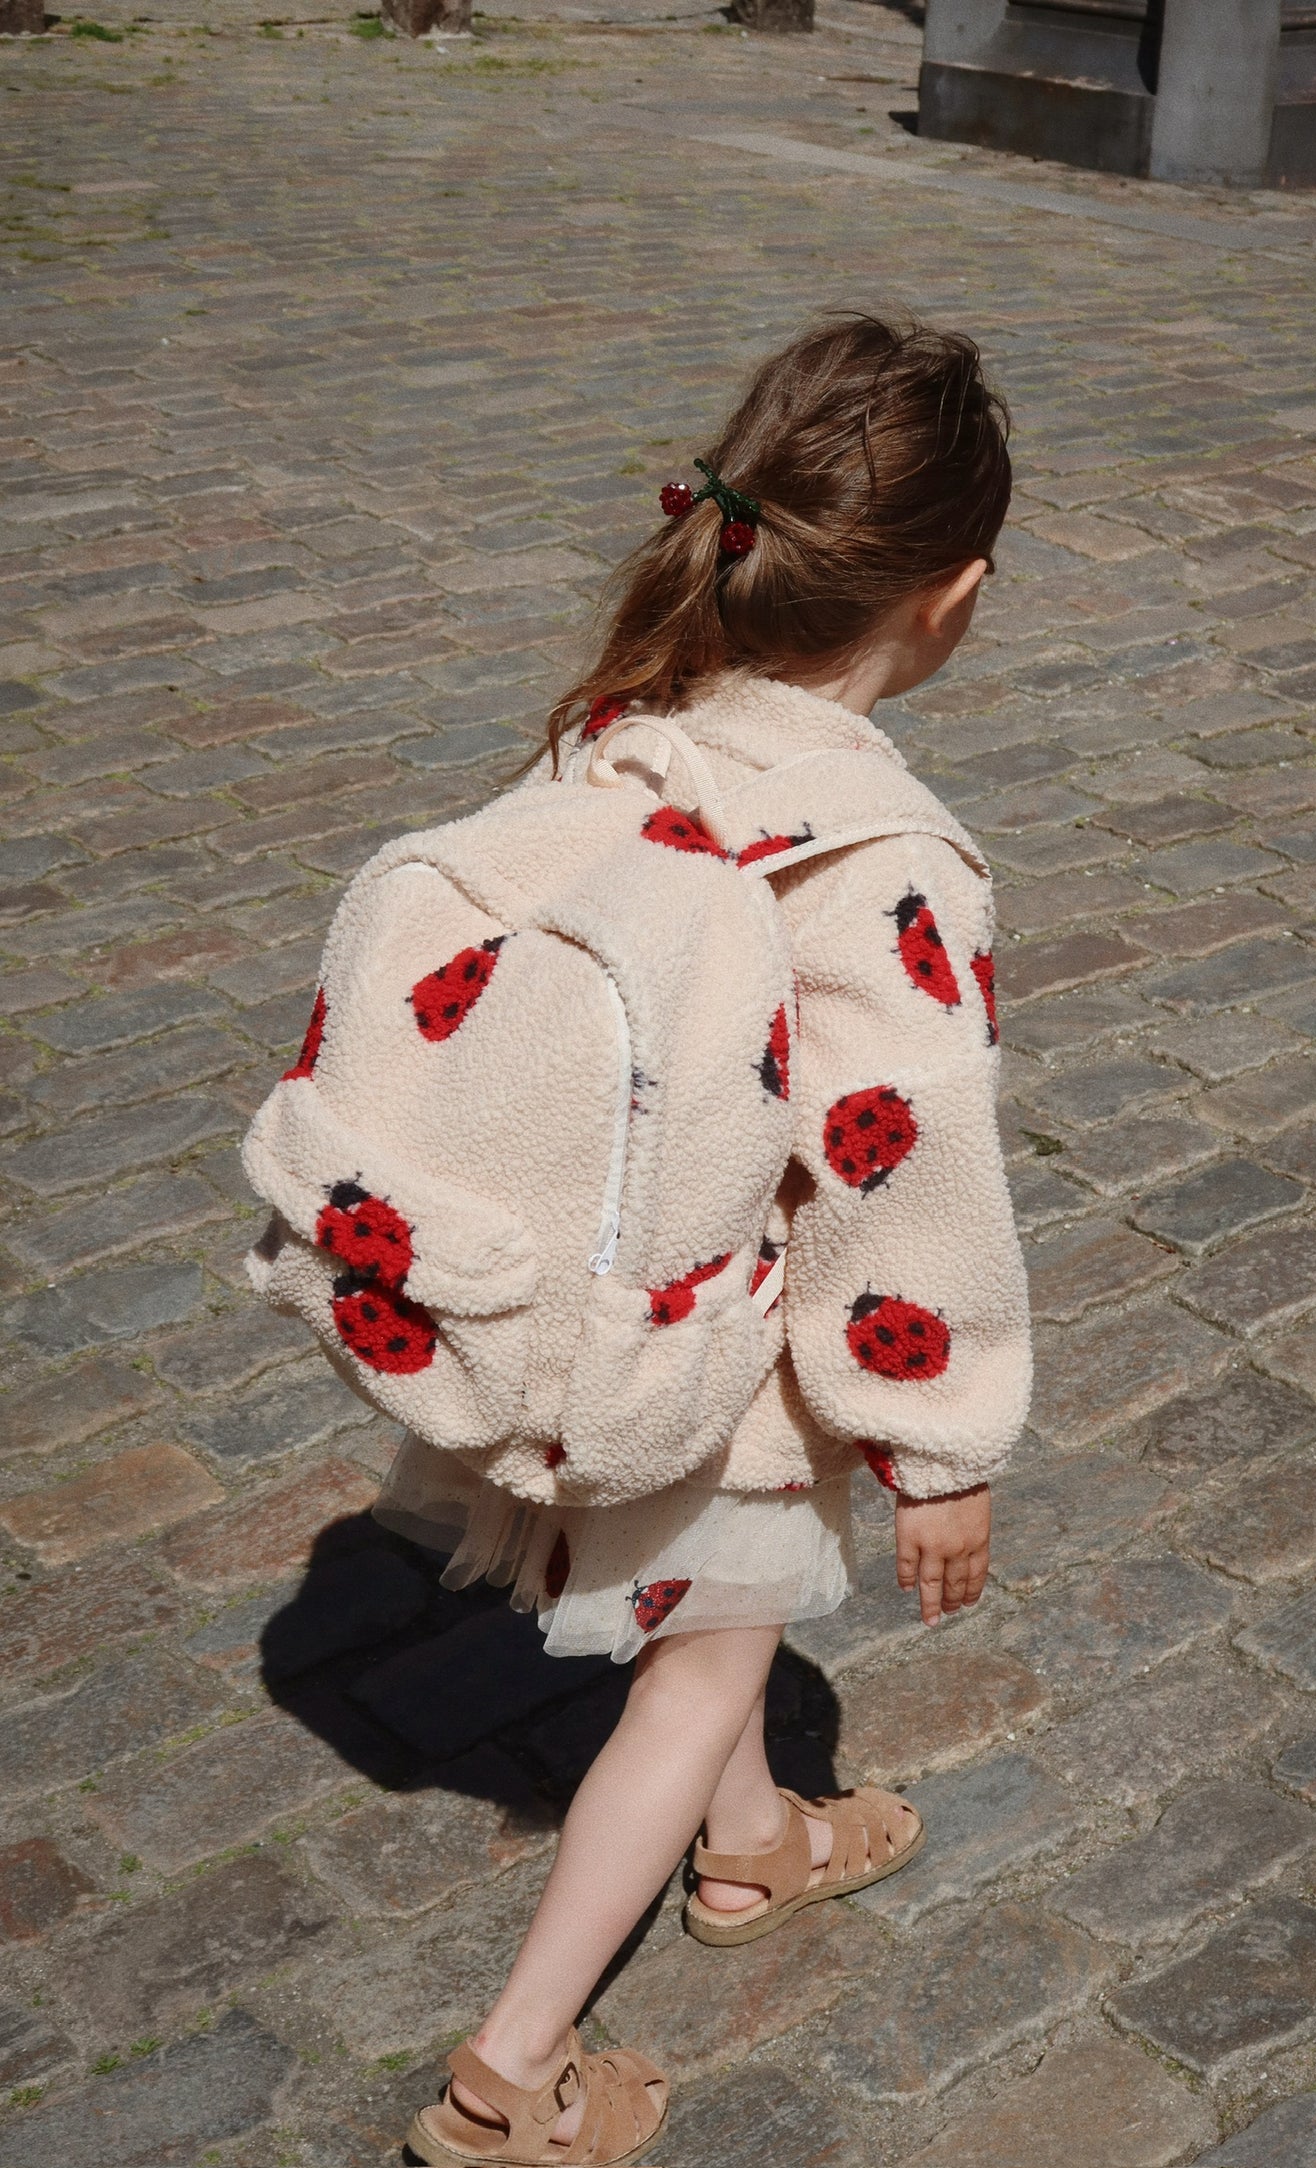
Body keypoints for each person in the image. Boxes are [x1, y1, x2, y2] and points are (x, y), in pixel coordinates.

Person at [382, 310, 1031, 2168]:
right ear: (953, 597)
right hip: (725, 1359)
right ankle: (509, 2077)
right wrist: (937, 1445)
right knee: (702, 1675)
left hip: (569, 1295)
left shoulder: (627, 728)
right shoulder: (881, 853)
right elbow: (901, 1168)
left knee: (709, 1616)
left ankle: (751, 1850)